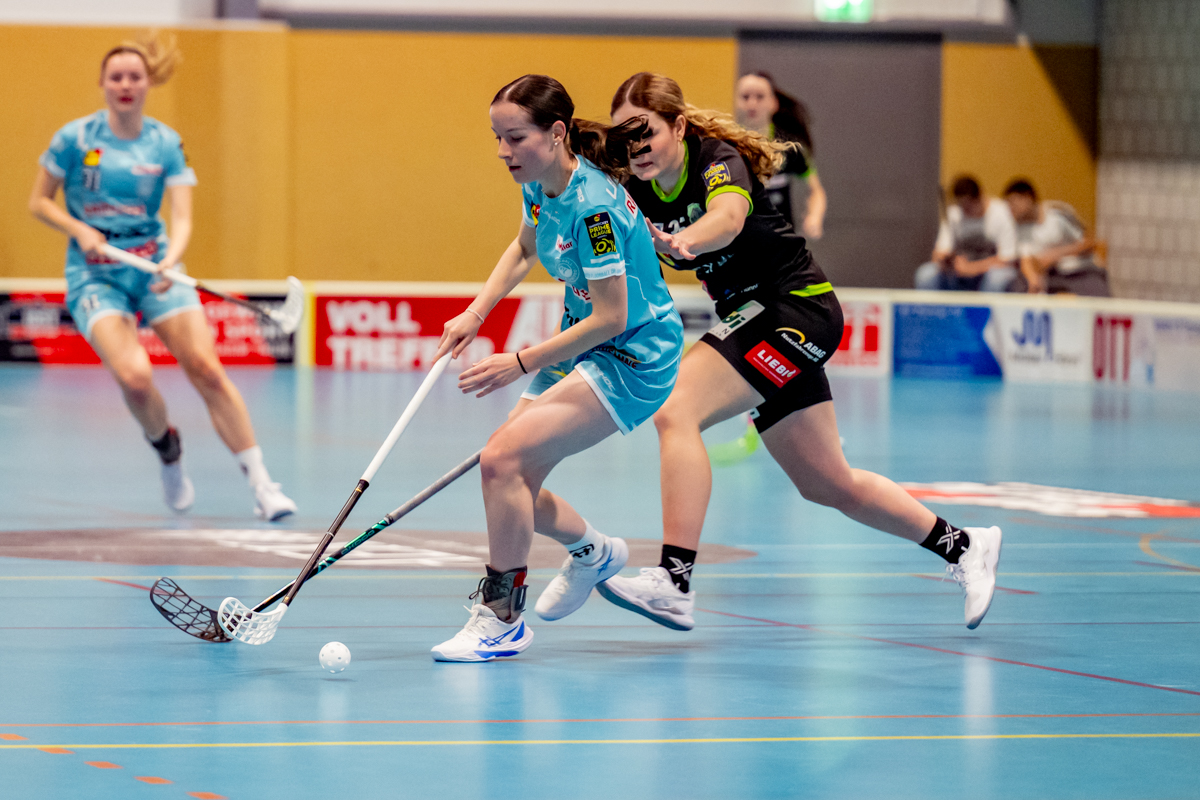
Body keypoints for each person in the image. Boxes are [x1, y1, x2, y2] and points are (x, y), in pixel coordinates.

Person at [592, 72, 1000, 632]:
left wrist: (685, 240)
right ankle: (965, 546)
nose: (636, 146)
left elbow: (727, 219)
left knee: (676, 408)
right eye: (625, 136)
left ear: (679, 127)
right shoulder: (635, 190)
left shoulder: (716, 159)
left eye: (647, 131)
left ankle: (674, 581)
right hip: (754, 321)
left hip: (795, 308)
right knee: (827, 483)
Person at [429, 74, 683, 662]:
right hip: (580, 341)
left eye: (515, 138)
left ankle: (501, 619)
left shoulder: (594, 209)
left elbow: (614, 316)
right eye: (497, 138)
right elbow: (523, 248)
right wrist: (475, 313)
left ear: (557, 132)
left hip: (634, 355)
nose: (503, 151)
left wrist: (520, 362)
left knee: (502, 460)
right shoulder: (541, 184)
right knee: (508, 473)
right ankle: (595, 552)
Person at [28, 33, 296, 521]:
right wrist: (79, 229)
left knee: (207, 368)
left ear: (148, 83)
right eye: (116, 77)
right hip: (95, 276)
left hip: (154, 267)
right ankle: (168, 449)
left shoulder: (165, 142)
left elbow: (184, 216)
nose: (125, 85)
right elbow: (39, 202)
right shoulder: (75, 139)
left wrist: (171, 258)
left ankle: (263, 486)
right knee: (134, 378)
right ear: (103, 83)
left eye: (135, 76)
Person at [734, 72, 827, 240]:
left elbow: (815, 190)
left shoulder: (789, 146)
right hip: (739, 241)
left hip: (781, 240)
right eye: (745, 97)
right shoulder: (726, 146)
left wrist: (814, 217)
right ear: (736, 102)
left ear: (773, 103)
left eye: (760, 97)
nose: (752, 104)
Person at [1003, 179, 1110, 297]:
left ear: (1027, 198)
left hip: (1080, 271)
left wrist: (1057, 254)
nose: (1011, 209)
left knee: (1097, 297)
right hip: (1051, 276)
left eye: (1013, 203)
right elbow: (1026, 259)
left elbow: (1090, 243)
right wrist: (1032, 279)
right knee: (1017, 286)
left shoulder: (1057, 214)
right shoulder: (1019, 227)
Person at [915, 176, 1019, 292]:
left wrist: (972, 268)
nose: (965, 210)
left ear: (981, 197)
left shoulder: (1002, 213)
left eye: (969, 205)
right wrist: (946, 260)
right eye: (961, 205)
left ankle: (986, 304)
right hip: (959, 273)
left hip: (987, 273)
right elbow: (939, 253)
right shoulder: (954, 214)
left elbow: (1007, 259)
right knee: (926, 274)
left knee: (997, 278)